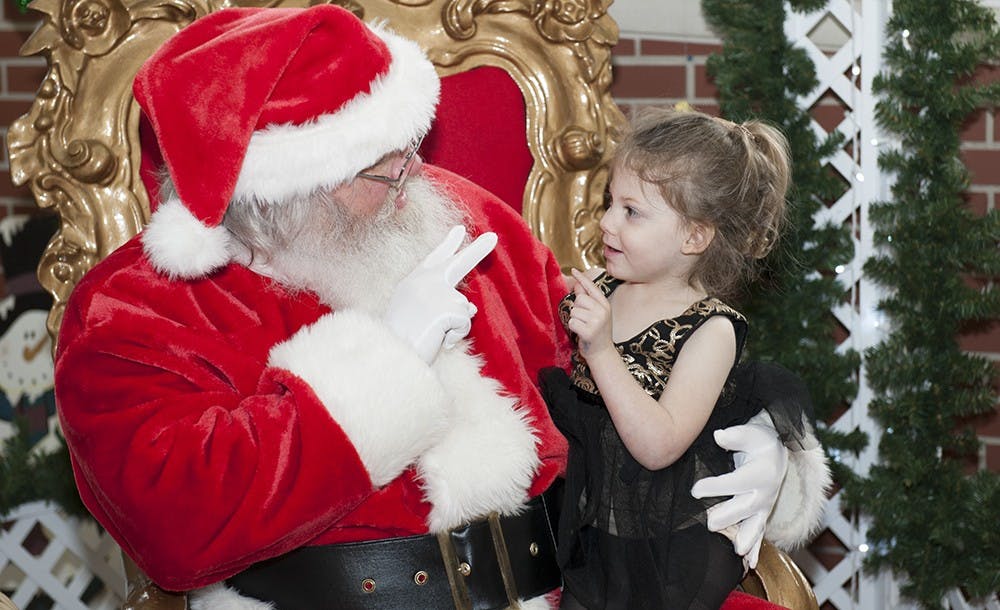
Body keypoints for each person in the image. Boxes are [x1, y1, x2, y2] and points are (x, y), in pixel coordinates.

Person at [52, 7, 827, 609]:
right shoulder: (138, 307)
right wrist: (383, 370)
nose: (412, 170)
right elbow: (173, 524)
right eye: (375, 163)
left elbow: (611, 360)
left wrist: (739, 443)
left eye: (408, 142)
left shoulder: (460, 217)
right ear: (278, 192)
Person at [540, 107, 826, 610]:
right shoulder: (605, 287)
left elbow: (658, 446)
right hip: (585, 533)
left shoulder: (710, 329)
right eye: (611, 201)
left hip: (660, 554)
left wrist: (602, 349)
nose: (606, 221)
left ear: (694, 236)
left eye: (632, 211)